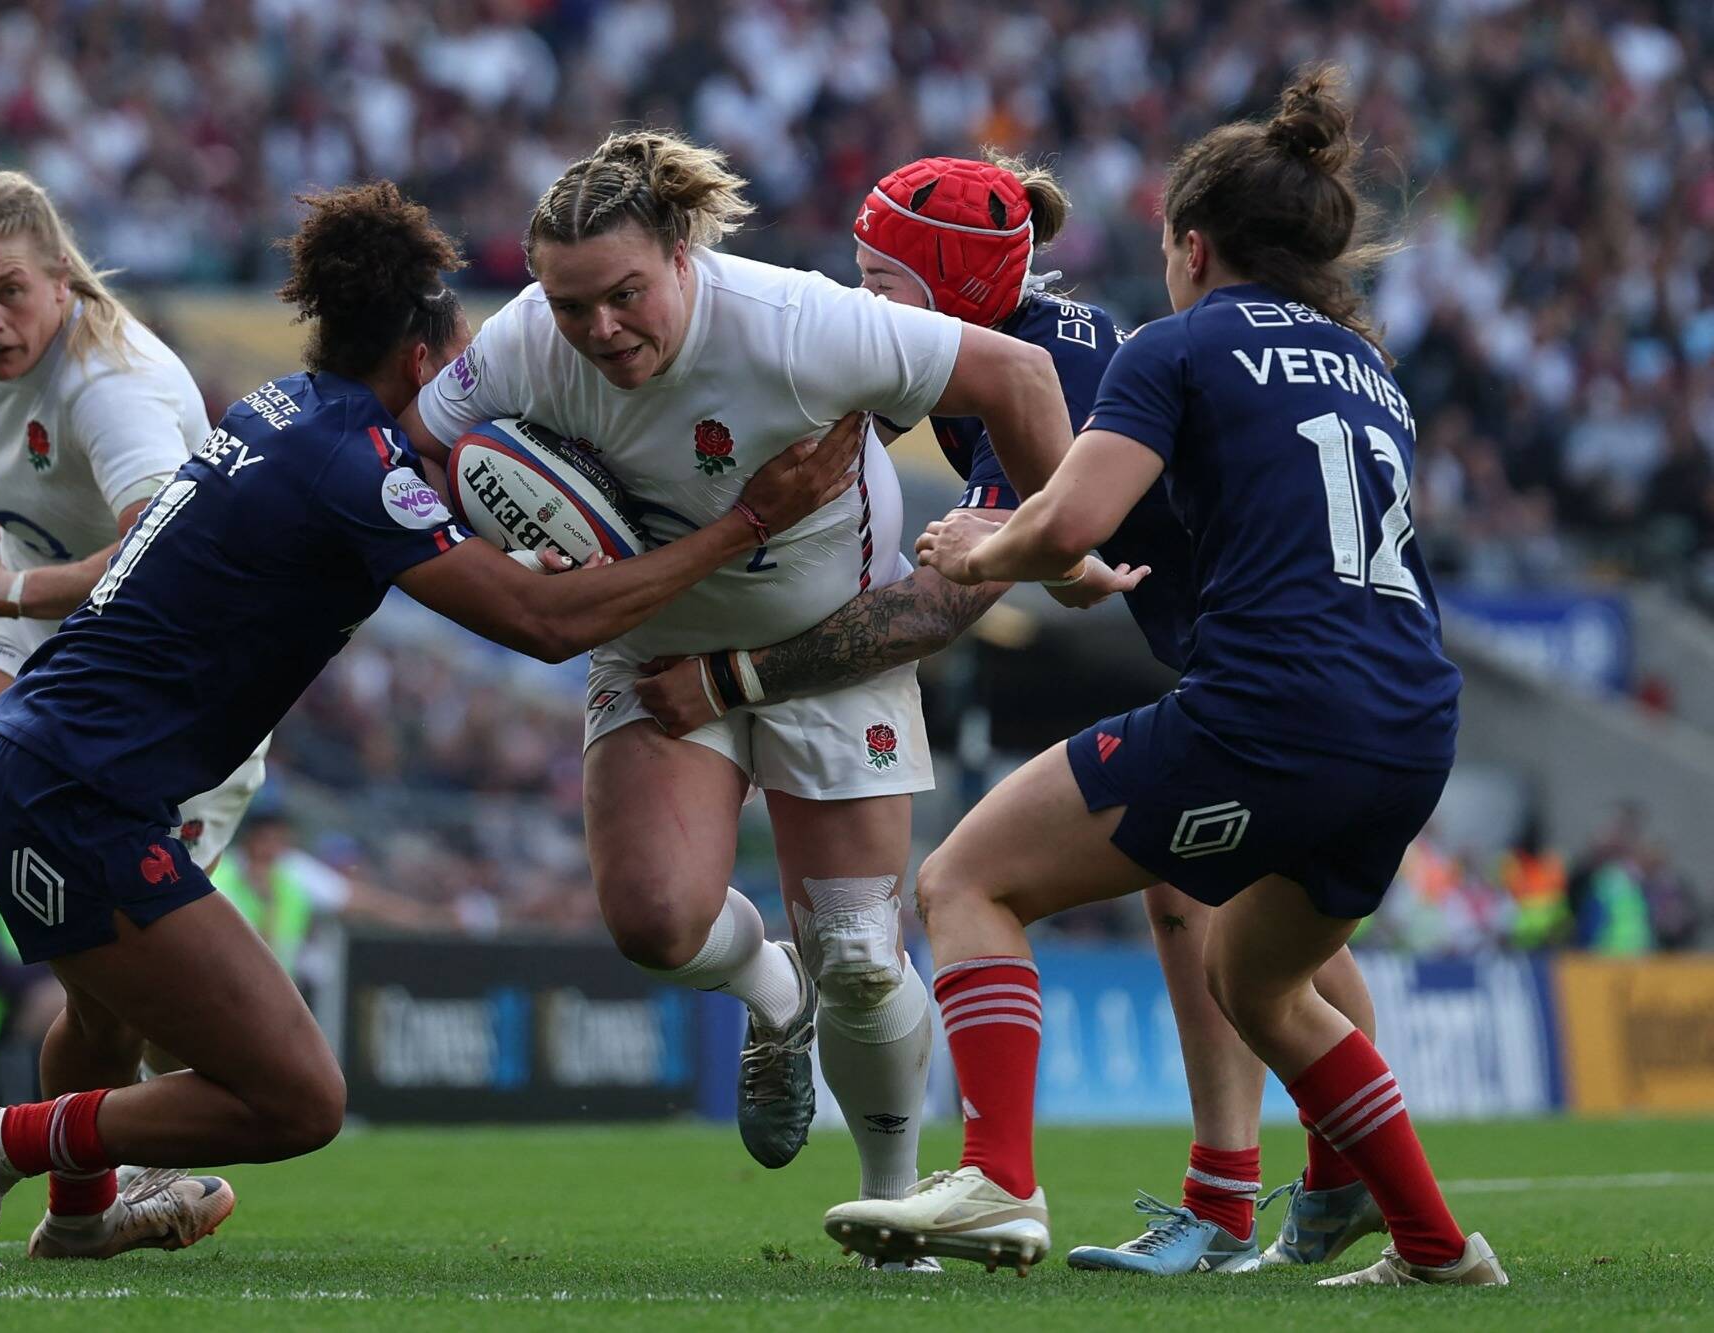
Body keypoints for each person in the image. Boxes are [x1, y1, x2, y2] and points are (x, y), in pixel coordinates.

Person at [0, 180, 863, 1268]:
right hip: (67, 793)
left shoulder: (285, 411)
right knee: (296, 1099)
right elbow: (544, 627)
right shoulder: (349, 466)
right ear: (425, 357)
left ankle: (78, 1218)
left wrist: (507, 540)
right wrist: (747, 521)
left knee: (102, 1011)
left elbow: (406, 527)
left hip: (37, 764)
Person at [640, 151, 1388, 1276]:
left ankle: (1053, 1181)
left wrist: (728, 677)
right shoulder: (967, 340)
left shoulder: (1032, 365)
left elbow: (943, 605)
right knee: (1228, 910)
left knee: (1000, 883)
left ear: (948, 290)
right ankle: (1289, 1193)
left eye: (879, 278)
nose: (857, 300)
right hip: (1287, 666)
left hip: (1249, 671)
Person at [823, 69, 1509, 1288]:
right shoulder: (1369, 367)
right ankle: (1428, 1243)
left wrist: (993, 547)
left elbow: (1066, 525)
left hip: (1267, 700)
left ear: (1191, 246)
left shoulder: (1169, 346)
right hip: (1410, 716)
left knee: (968, 879)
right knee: (1256, 968)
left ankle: (997, 1177)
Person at [397, 130, 1081, 1240]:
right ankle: (772, 996)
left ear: (680, 256)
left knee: (860, 953)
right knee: (654, 924)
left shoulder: (798, 322)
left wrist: (1064, 543)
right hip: (655, 645)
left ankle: (893, 1204)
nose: (598, 329)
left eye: (622, 295)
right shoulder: (527, 340)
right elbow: (420, 453)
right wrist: (503, 543)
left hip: (828, 647)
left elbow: (1019, 372)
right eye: (571, 304)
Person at [0, 168, 268, 1245]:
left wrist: (7, 586)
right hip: (25, 619)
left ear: (60, 278)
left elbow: (161, 556)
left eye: (7, 294)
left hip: (162, 657)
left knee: (126, 977)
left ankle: (161, 1157)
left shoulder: (111, 386)